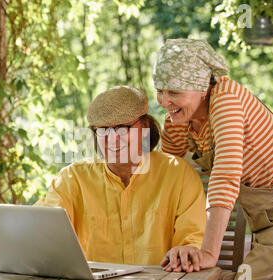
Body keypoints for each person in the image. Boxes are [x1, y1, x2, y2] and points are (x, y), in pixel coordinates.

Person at [153, 38, 273, 280]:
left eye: (174, 93)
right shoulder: (177, 120)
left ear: (202, 89)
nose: (164, 101)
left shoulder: (226, 102)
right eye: (160, 90)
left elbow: (226, 175)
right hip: (267, 220)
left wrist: (209, 254)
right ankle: (228, 279)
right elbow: (164, 176)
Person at [35, 85, 207, 267]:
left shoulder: (178, 175)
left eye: (122, 127)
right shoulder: (72, 178)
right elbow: (41, 225)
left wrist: (188, 249)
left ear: (145, 126)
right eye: (103, 129)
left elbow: (193, 238)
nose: (112, 138)